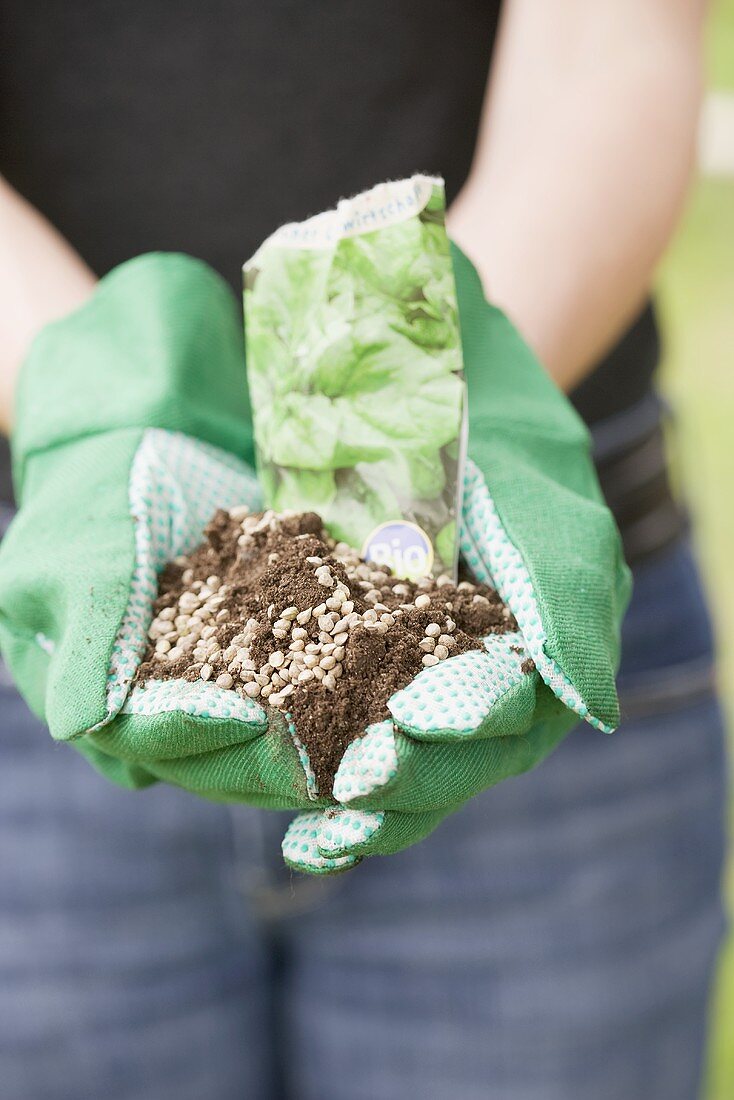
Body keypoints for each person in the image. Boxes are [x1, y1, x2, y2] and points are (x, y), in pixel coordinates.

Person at [0, 1, 726, 1097]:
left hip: (523, 589)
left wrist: (430, 408)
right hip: (59, 618)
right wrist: (95, 403)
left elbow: (608, 42)